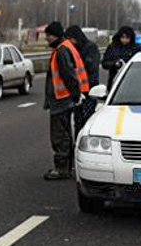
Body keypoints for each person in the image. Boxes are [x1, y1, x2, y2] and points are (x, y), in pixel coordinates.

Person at [43, 21, 89, 181]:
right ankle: (66, 167)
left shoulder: (61, 51)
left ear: (55, 35)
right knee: (65, 134)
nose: (46, 38)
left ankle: (61, 168)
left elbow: (68, 75)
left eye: (48, 35)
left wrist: (75, 93)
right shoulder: (67, 47)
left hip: (61, 99)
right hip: (66, 99)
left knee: (59, 135)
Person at [65, 25, 101, 131]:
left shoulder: (90, 48)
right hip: (77, 90)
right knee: (78, 120)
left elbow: (92, 68)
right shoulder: (71, 49)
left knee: (87, 119)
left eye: (70, 39)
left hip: (90, 89)